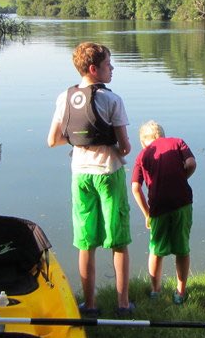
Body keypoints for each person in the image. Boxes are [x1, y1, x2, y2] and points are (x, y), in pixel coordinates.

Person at [47, 42, 134, 316]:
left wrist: (79, 142)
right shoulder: (112, 100)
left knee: (86, 242)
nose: (112, 69)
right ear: (94, 69)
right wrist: (110, 146)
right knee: (118, 240)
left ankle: (90, 304)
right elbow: (125, 147)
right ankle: (122, 304)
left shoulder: (65, 97)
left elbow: (53, 140)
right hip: (108, 174)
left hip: (80, 175)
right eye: (109, 64)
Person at [131, 121, 196, 304]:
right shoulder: (177, 142)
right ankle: (180, 293)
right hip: (182, 202)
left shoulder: (143, 154)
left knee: (156, 250)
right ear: (163, 134)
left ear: (144, 141)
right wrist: (182, 178)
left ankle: (155, 291)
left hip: (158, 207)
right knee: (182, 248)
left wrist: (147, 213)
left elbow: (136, 187)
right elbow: (191, 163)